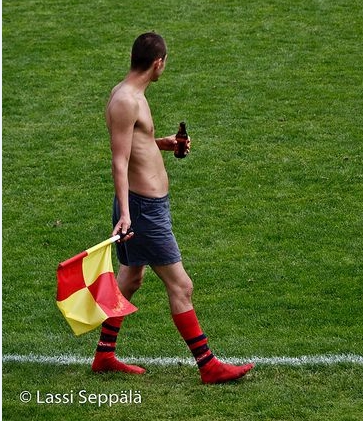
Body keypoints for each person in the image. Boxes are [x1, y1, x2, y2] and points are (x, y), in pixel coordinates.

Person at [91, 32, 254, 384]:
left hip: (143, 206)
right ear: (158, 63)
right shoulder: (126, 101)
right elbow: (119, 161)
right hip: (142, 210)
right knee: (182, 286)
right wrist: (126, 214)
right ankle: (208, 365)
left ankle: (104, 355)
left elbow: (135, 143)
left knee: (130, 278)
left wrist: (161, 144)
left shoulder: (132, 95)